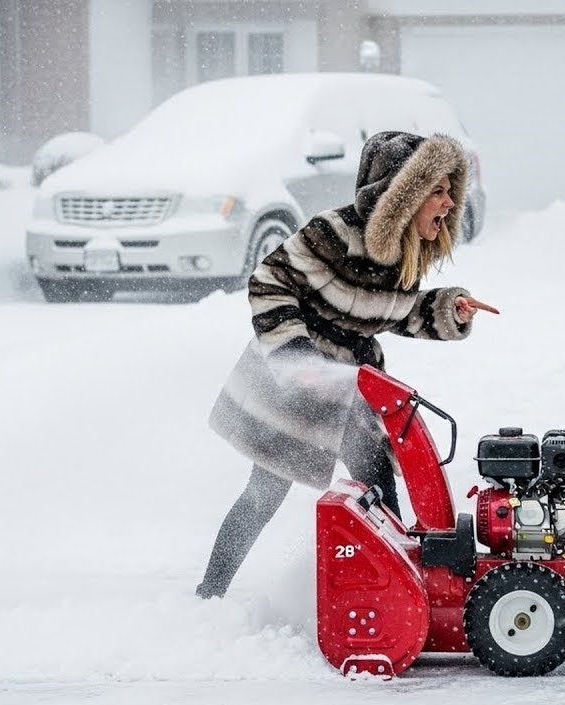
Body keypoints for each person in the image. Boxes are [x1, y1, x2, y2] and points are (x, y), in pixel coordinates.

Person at [197, 131, 498, 599]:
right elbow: (268, 282)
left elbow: (390, 311)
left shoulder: (403, 253)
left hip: (352, 387)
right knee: (263, 496)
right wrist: (297, 357)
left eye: (449, 191)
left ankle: (399, 598)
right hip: (291, 386)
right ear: (402, 197)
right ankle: (209, 595)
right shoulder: (334, 235)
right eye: (436, 191)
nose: (447, 202)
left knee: (379, 492)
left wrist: (446, 308)